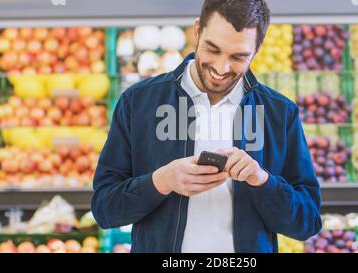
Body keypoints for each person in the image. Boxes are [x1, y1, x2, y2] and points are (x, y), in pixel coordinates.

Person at [92, 0, 321, 253]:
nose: (221, 68)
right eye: (213, 49)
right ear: (197, 30)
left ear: (257, 50)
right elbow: (105, 210)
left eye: (238, 57)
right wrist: (160, 181)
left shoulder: (279, 112)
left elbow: (307, 222)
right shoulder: (138, 102)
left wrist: (263, 182)